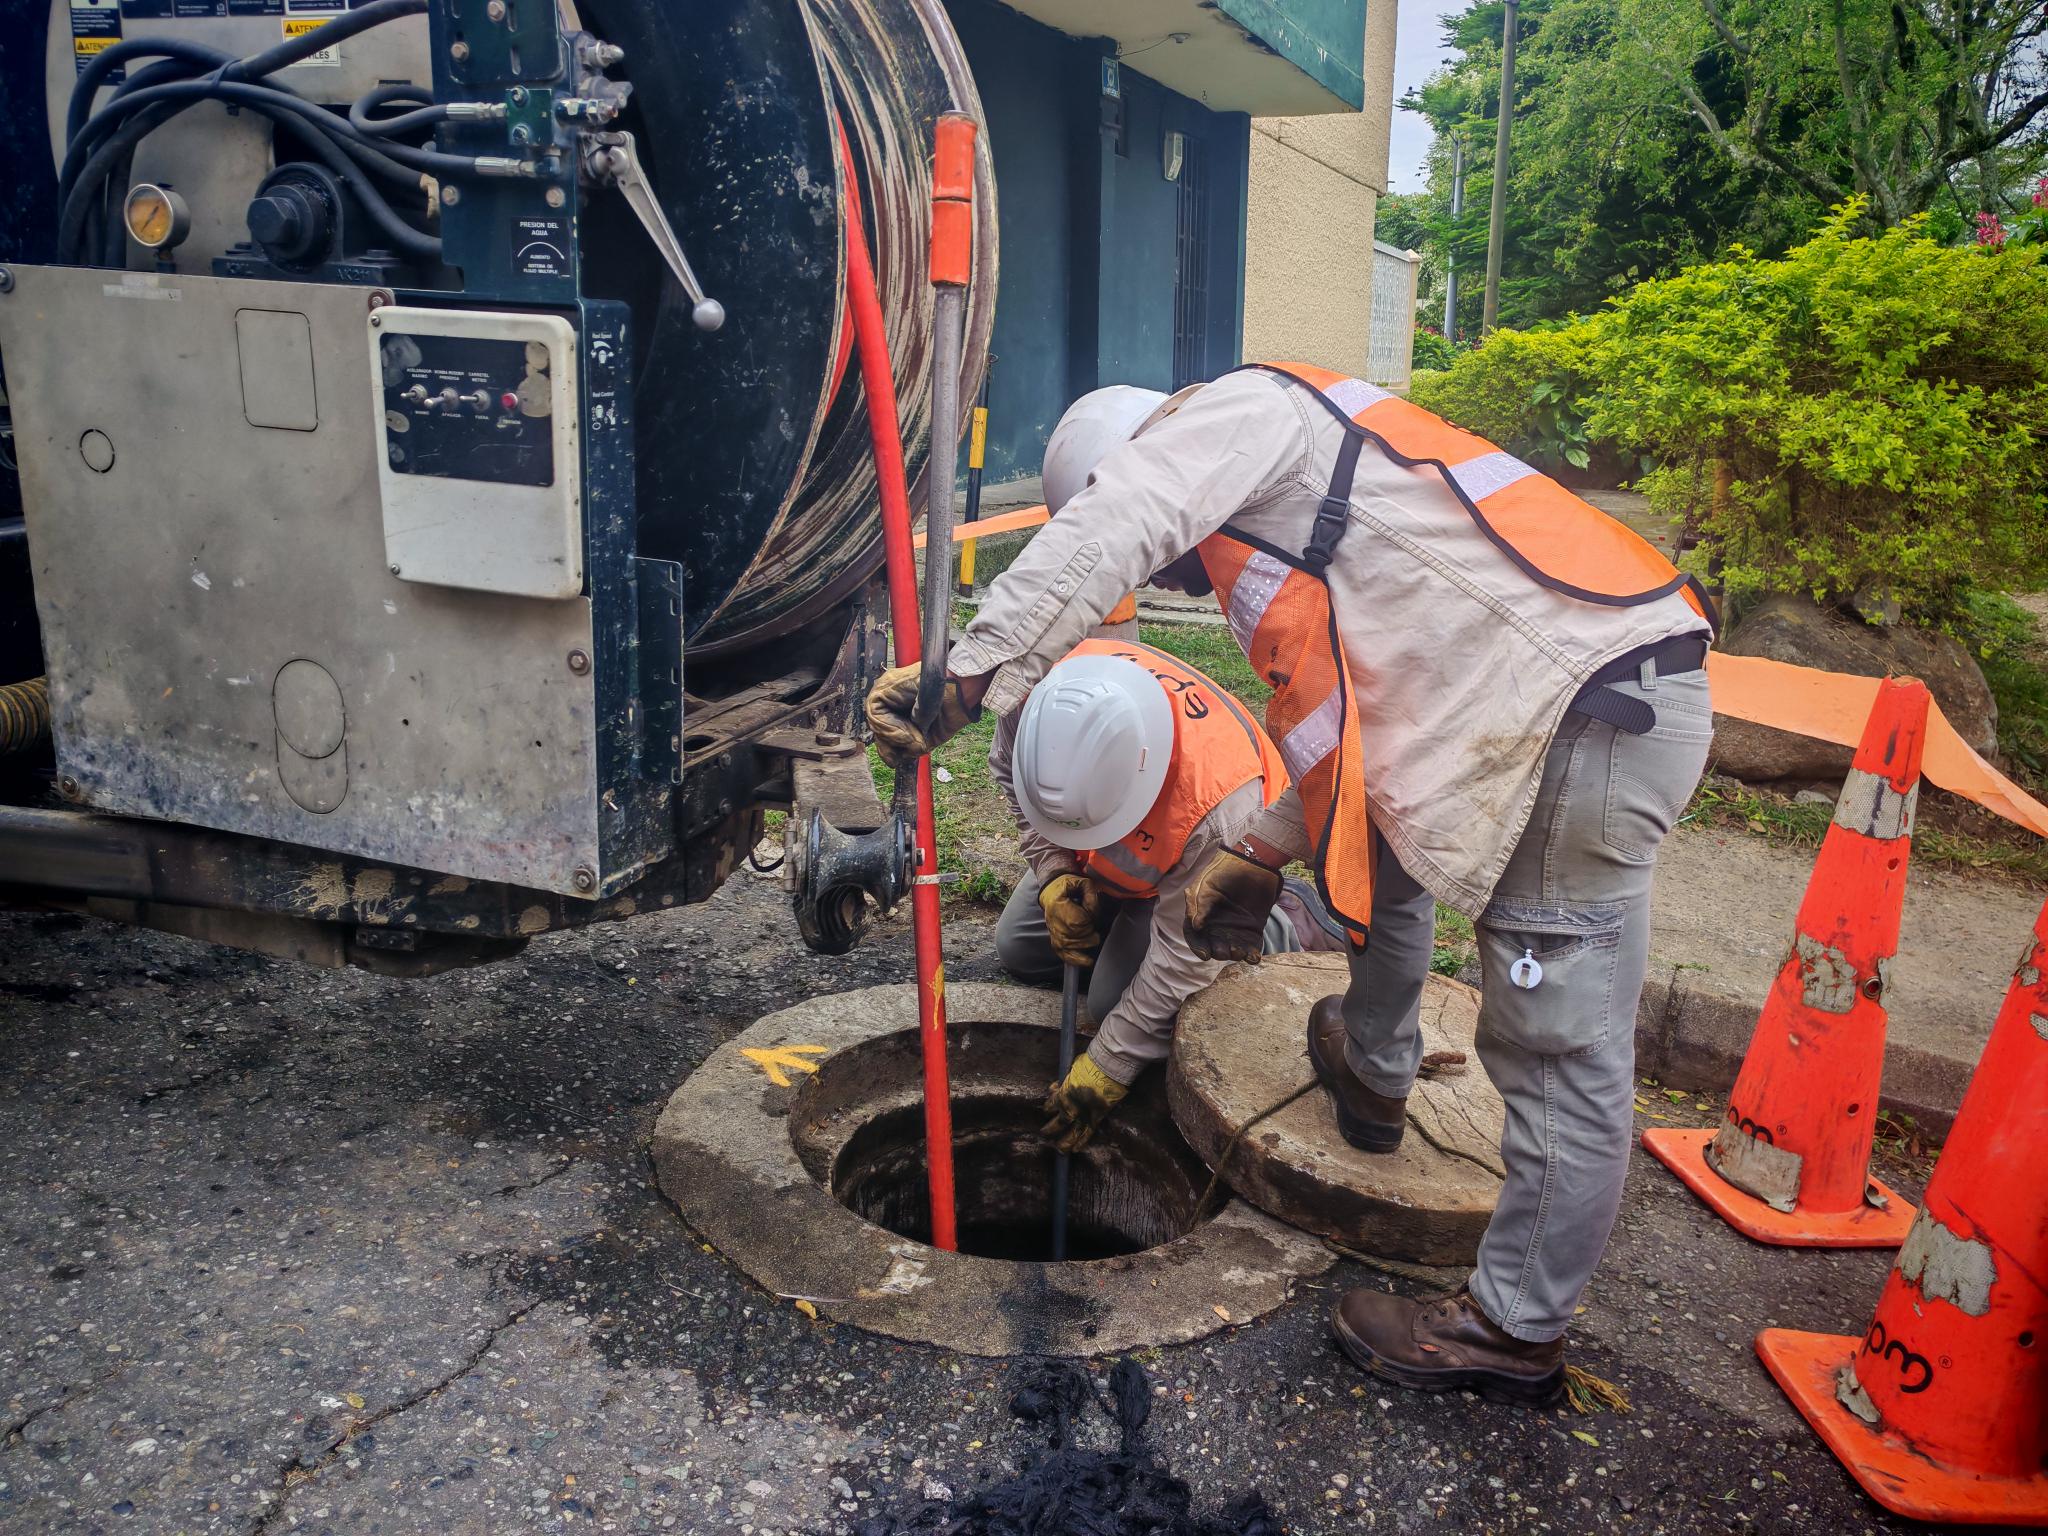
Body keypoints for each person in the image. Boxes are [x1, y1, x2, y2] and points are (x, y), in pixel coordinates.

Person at [866, 362, 1714, 1406]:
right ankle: (1372, 1070)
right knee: (1388, 864)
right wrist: (1264, 851)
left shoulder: (1235, 418)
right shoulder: (1314, 522)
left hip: (1585, 712)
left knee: (1553, 1052)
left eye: (1173, 560)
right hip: (1555, 691)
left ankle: (1508, 1326)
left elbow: (1121, 521)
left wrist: (968, 671)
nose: (1174, 584)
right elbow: (1347, 752)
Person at [986, 637, 1348, 1153]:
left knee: (1114, 1003)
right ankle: (1122, 915)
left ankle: (1281, 917)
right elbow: (1012, 779)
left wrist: (1110, 1062)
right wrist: (1055, 871)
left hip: (1207, 878)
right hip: (1120, 862)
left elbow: (1182, 959)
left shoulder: (1225, 810)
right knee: (1020, 949)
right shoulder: (1040, 702)